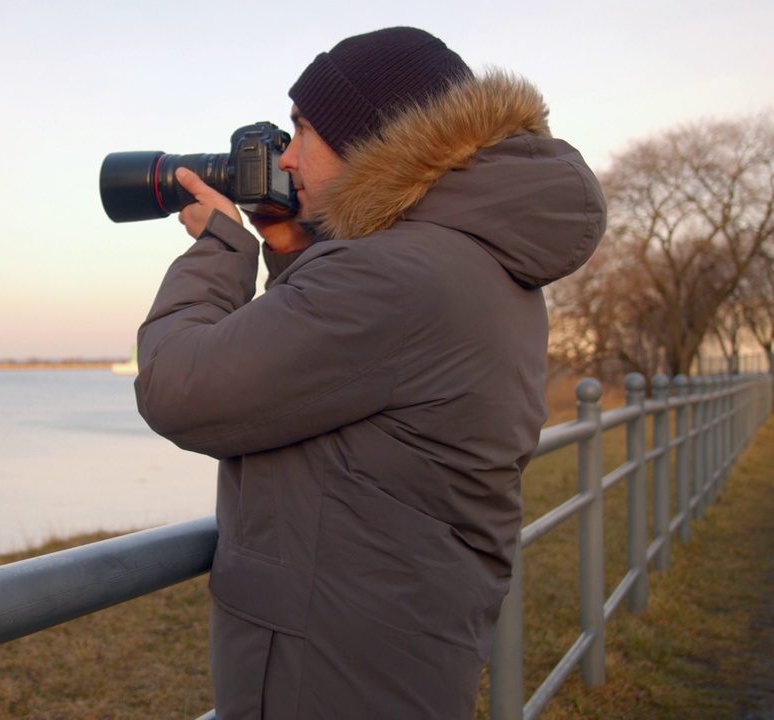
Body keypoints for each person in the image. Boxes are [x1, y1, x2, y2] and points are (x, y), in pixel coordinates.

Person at [133, 27, 606, 718]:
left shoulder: (390, 276)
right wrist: (295, 255)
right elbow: (351, 381)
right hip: (393, 642)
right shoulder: (463, 257)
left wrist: (220, 245)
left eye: (300, 132)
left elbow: (178, 387)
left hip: (330, 665)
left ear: (373, 140)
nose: (286, 159)